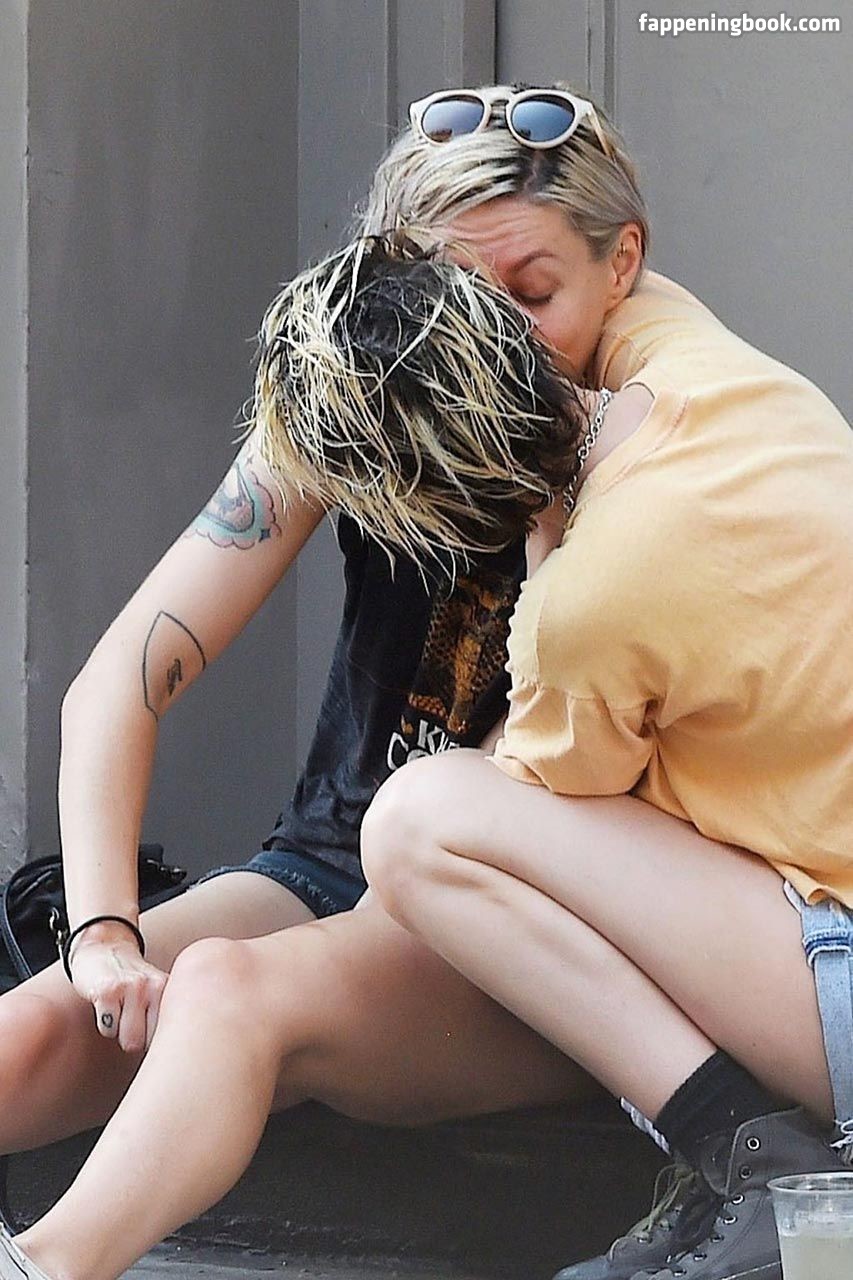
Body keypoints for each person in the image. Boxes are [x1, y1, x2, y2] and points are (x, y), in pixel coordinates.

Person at [0, 78, 842, 1280]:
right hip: (339, 851)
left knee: (231, 989)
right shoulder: (368, 389)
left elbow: (578, 796)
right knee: (38, 1028)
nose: (496, 333)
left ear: (620, 269)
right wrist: (99, 934)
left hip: (523, 908)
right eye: (458, 290)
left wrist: (551, 519)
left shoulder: (644, 427)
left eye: (532, 293)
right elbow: (117, 684)